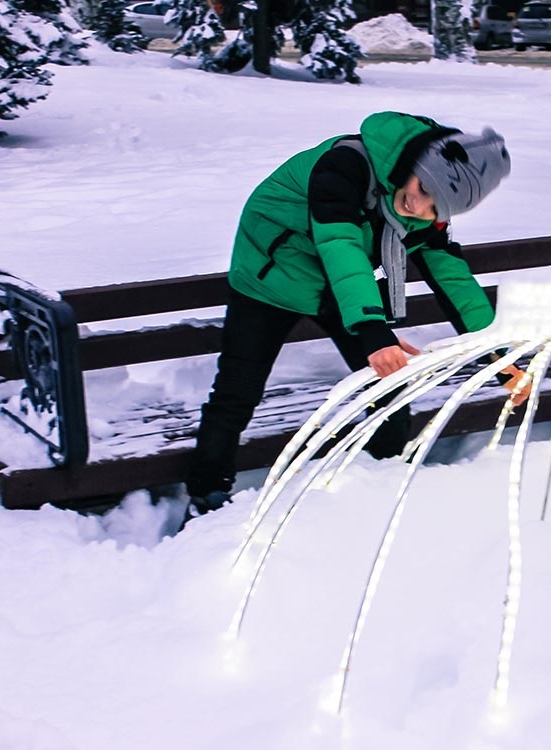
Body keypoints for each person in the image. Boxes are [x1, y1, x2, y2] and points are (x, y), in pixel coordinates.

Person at [184, 111, 524, 524]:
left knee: (391, 387)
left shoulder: (422, 208)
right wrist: (372, 333)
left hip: (339, 286)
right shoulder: (345, 166)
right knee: (236, 393)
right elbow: (340, 243)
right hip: (270, 275)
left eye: (436, 207)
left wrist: (500, 358)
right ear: (412, 167)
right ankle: (206, 496)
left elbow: (451, 277)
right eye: (423, 190)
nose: (419, 207)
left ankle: (381, 482)